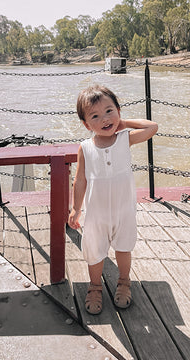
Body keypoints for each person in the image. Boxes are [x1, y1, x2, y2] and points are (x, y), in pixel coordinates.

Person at [68, 84, 158, 315]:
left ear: (118, 110)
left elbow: (152, 127)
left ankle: (124, 282)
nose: (105, 119)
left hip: (123, 210)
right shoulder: (85, 147)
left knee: (123, 247)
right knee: (95, 251)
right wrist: (75, 209)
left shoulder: (125, 139)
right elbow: (79, 181)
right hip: (96, 214)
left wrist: (124, 123)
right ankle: (95, 287)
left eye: (110, 111)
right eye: (95, 116)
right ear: (87, 124)